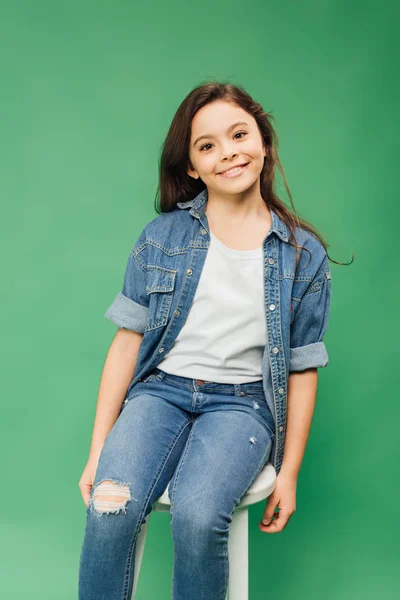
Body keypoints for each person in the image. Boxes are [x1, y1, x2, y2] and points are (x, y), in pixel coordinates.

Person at [78, 80, 346, 600]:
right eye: (207, 145)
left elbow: (301, 370)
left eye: (239, 134)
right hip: (160, 392)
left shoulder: (302, 254)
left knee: (200, 518)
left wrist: (287, 475)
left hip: (241, 406)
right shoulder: (162, 237)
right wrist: (98, 450)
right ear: (191, 169)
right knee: (110, 506)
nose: (228, 152)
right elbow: (126, 344)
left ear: (263, 142)